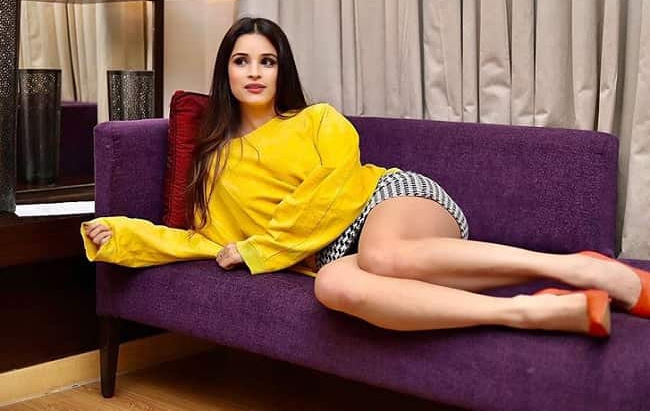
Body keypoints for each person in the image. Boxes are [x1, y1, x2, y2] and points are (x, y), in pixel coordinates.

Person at [82, 17, 649, 338]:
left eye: (267, 61)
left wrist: (261, 249)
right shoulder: (212, 160)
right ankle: (533, 311)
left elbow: (334, 190)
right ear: (224, 71)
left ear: (282, 71)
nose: (254, 72)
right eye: (241, 60)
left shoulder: (318, 120)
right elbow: (204, 239)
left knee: (381, 255)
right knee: (334, 287)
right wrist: (125, 234)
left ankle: (575, 267)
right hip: (329, 255)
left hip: (384, 200)